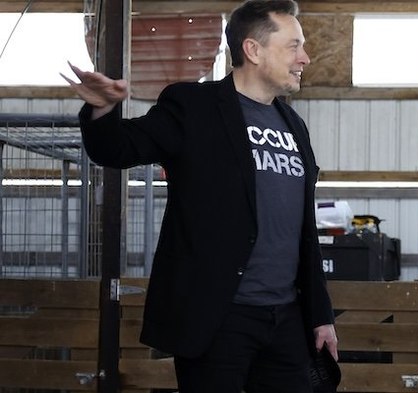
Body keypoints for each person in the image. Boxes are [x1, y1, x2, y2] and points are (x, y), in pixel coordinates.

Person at [63, 1, 338, 391]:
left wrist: (319, 314)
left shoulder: (294, 124)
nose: (305, 58)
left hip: (286, 318)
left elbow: (303, 230)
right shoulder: (194, 107)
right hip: (217, 316)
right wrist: (104, 110)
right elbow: (118, 150)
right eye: (294, 46)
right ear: (253, 50)